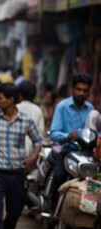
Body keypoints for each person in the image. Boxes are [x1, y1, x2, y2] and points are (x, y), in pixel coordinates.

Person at [0, 83, 42, 229]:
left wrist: (33, 157)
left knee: (15, 211)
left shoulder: (26, 121)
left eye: (0, 97)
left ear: (10, 100)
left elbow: (38, 140)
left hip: (17, 173)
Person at [50, 72, 94, 211]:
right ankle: (52, 208)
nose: (81, 93)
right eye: (78, 89)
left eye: (85, 90)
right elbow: (54, 133)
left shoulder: (91, 109)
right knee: (59, 176)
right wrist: (67, 136)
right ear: (72, 89)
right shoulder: (62, 106)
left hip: (85, 154)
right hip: (67, 150)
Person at [17, 80, 45, 157]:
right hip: (31, 153)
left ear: (20, 94)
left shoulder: (15, 108)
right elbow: (40, 133)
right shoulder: (37, 110)